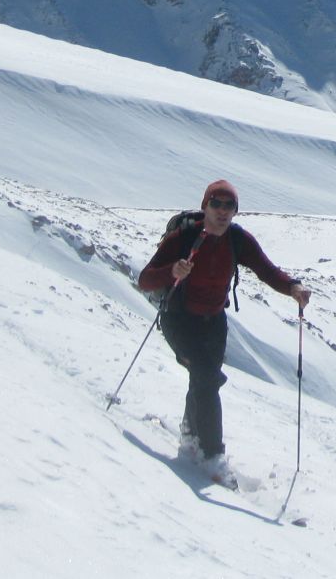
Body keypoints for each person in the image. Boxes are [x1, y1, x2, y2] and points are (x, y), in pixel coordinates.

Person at [137, 178, 310, 485]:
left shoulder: (237, 240)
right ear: (205, 206)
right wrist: (171, 271)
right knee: (206, 376)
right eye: (216, 204)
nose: (222, 211)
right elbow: (146, 280)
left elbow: (265, 269)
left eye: (229, 206)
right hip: (179, 317)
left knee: (204, 379)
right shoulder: (184, 237)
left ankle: (191, 436)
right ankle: (211, 455)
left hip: (214, 321)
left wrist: (292, 287)